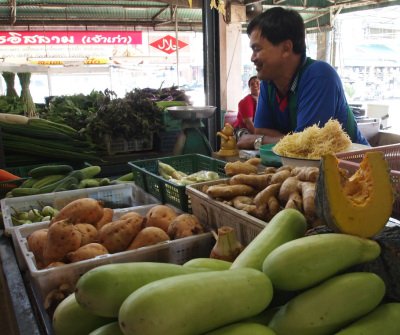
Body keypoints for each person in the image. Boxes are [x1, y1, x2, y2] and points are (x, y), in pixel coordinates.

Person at [237, 7, 369, 150]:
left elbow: (307, 146)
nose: (252, 58)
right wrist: (294, 139)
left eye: (257, 49)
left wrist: (259, 141)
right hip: (303, 168)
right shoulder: (268, 84)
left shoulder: (320, 76)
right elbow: (260, 130)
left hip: (356, 168)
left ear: (286, 48)